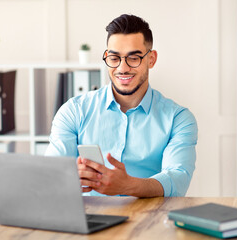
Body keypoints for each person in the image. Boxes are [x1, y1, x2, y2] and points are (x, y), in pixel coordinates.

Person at [45, 14, 198, 197]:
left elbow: (177, 180)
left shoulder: (178, 119)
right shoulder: (73, 111)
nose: (122, 68)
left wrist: (129, 186)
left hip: (148, 220)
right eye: (114, 57)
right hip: (90, 218)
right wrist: (68, 177)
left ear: (151, 59)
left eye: (133, 58)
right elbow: (50, 174)